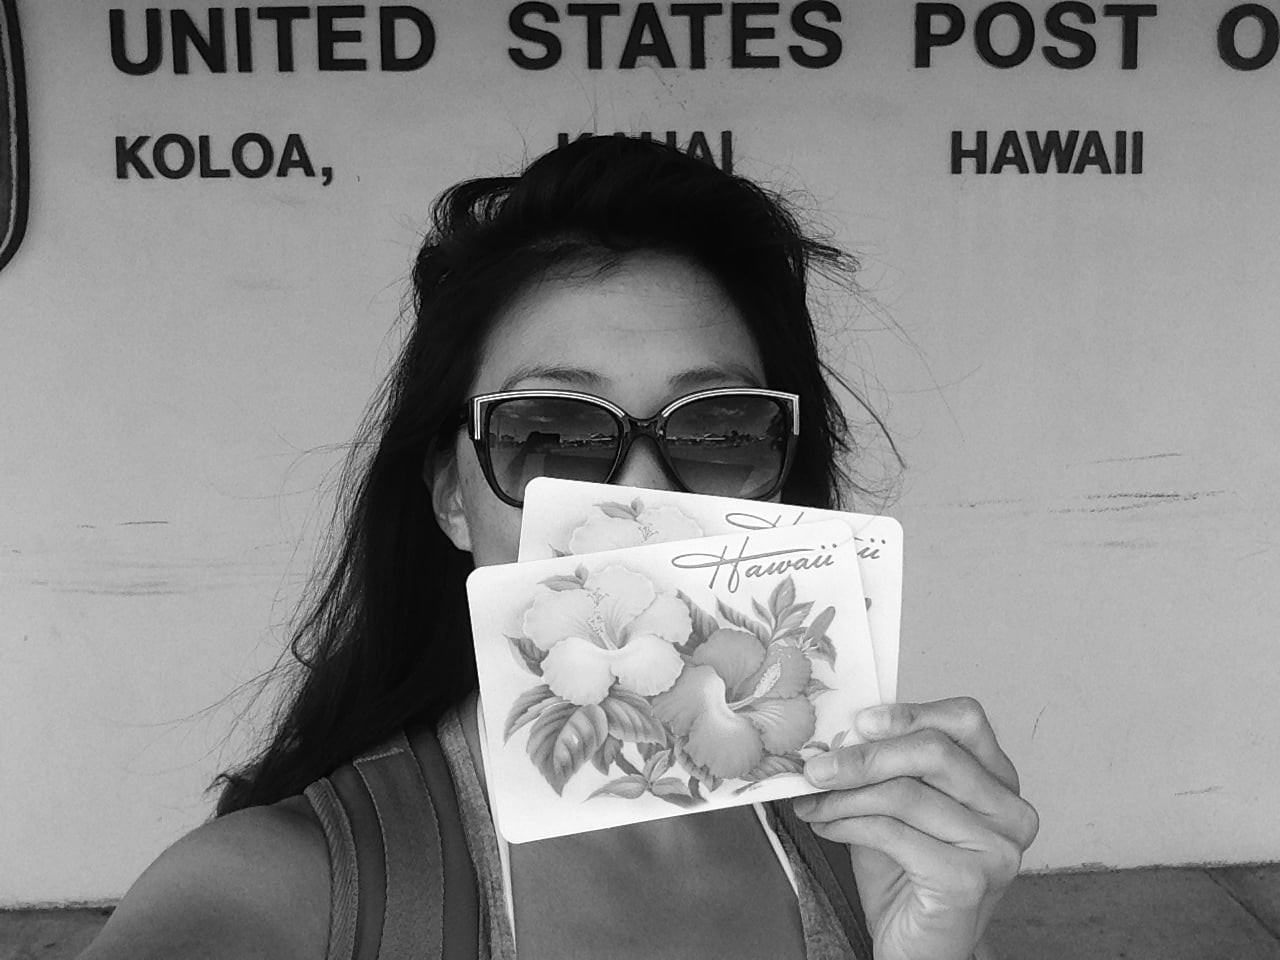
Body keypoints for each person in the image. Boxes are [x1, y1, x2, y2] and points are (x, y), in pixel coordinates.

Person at [81, 136, 1037, 960]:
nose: (642, 498)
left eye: (719, 430)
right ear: (452, 498)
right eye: (552, 431)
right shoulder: (294, 885)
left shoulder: (871, 852)